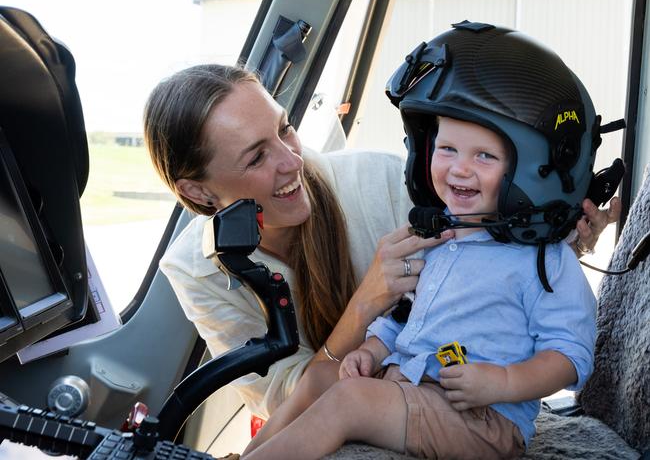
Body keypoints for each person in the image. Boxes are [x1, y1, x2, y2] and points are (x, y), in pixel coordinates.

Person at [143, 63, 618, 423]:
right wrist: (366, 304)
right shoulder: (195, 270)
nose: (292, 160)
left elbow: (494, 278)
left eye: (285, 128)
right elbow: (286, 405)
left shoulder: (386, 181)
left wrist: (568, 245)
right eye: (256, 156)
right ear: (198, 191)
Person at [239, 22, 620, 459]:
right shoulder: (439, 237)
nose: (459, 169)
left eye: (484, 156)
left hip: (483, 419)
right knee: (321, 379)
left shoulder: (546, 260)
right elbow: (405, 316)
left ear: (531, 168)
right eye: (447, 149)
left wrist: (503, 382)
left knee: (348, 402)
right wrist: (371, 349)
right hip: (410, 384)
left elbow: (570, 355)